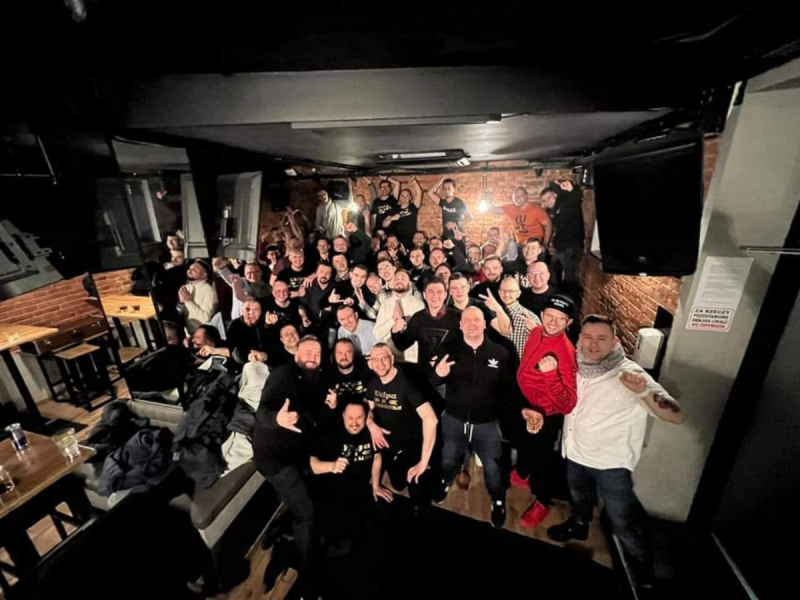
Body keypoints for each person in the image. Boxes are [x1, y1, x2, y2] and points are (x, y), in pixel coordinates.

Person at [547, 315, 683, 591]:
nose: (593, 344)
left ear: (615, 341)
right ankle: (580, 524)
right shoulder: (575, 365)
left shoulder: (629, 374)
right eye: (587, 337)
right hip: (575, 452)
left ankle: (642, 565)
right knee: (579, 497)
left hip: (611, 465)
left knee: (622, 520)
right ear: (579, 338)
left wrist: (643, 391)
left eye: (601, 338)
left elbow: (675, 415)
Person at [252, 336, 335, 598]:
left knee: (303, 496)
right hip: (275, 459)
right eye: (308, 351)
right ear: (296, 353)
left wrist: (331, 407)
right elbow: (263, 410)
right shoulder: (283, 375)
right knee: (305, 511)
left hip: (297, 453)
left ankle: (279, 529)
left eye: (317, 353)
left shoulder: (316, 379)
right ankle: (307, 574)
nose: (313, 357)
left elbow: (314, 417)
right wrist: (277, 418)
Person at [432, 307, 514, 528]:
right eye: (466, 320)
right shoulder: (449, 349)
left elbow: (508, 390)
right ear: (460, 325)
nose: (471, 324)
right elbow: (434, 381)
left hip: (486, 423)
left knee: (493, 468)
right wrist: (438, 374)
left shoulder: (500, 352)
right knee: (448, 459)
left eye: (476, 319)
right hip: (454, 420)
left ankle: (497, 500)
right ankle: (445, 481)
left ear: (485, 323)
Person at [514, 294, 578, 529]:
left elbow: (568, 404)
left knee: (543, 461)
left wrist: (551, 374)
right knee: (524, 442)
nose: (553, 322)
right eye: (549, 316)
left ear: (568, 323)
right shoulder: (536, 332)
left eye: (560, 319)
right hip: (527, 403)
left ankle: (543, 500)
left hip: (547, 415)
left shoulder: (567, 352)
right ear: (541, 316)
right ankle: (523, 472)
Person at [310, 399, 392, 557]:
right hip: (332, 490)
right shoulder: (331, 433)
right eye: (350, 418)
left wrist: (376, 486)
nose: (354, 423)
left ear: (366, 417)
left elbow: (377, 457)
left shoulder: (372, 432)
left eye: (359, 418)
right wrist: (332, 466)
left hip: (358, 488)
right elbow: (312, 465)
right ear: (343, 416)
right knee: (333, 542)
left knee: (371, 527)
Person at [365, 343, 438, 514]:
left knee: (419, 486)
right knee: (398, 484)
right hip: (393, 443)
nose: (380, 363)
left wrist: (423, 462)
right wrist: (371, 424)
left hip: (414, 443)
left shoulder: (406, 384)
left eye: (384, 358)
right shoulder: (374, 382)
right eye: (375, 359)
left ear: (392, 359)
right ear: (370, 363)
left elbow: (431, 419)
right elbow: (368, 408)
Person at [391, 277, 461, 390]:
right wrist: (395, 331)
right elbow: (402, 345)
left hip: (451, 379)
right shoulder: (418, 318)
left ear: (445, 295)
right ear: (424, 295)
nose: (435, 296)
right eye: (431, 292)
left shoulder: (457, 317)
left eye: (439, 292)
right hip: (425, 377)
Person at [373, 270, 425, 363]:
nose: (399, 280)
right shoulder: (386, 304)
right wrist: (392, 320)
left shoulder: (418, 305)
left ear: (410, 284)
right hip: (391, 359)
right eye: (396, 278)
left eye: (403, 278)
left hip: (412, 359)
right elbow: (377, 334)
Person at [486, 277, 541, 359]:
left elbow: (542, 343)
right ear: (499, 292)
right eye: (503, 291)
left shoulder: (528, 316)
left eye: (511, 291)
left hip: (519, 363)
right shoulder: (492, 313)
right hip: (497, 362)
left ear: (518, 294)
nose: (506, 294)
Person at [485, 186, 552, 246]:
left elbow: (548, 224)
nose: (517, 198)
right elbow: (493, 210)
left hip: (534, 244)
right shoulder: (510, 208)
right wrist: (487, 199)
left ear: (526, 196)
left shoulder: (536, 209)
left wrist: (545, 244)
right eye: (515, 196)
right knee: (506, 245)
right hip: (520, 244)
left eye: (520, 196)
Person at [326, 338, 373, 405]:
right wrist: (333, 405)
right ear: (334, 354)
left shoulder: (366, 366)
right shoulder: (329, 374)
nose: (344, 356)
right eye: (340, 353)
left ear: (353, 354)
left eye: (348, 352)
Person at [178, 259, 219, 334]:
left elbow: (205, 319)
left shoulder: (209, 291)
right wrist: (181, 304)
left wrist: (188, 301)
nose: (190, 270)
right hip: (186, 334)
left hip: (202, 335)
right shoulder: (185, 288)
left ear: (204, 275)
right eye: (190, 268)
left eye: (195, 269)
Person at [382, 177, 423, 248]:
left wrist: (414, 180)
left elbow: (419, 193)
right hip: (397, 241)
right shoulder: (394, 209)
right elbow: (384, 224)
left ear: (410, 198)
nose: (404, 197)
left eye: (407, 195)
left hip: (411, 239)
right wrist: (391, 218)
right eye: (402, 195)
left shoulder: (413, 207)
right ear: (399, 198)